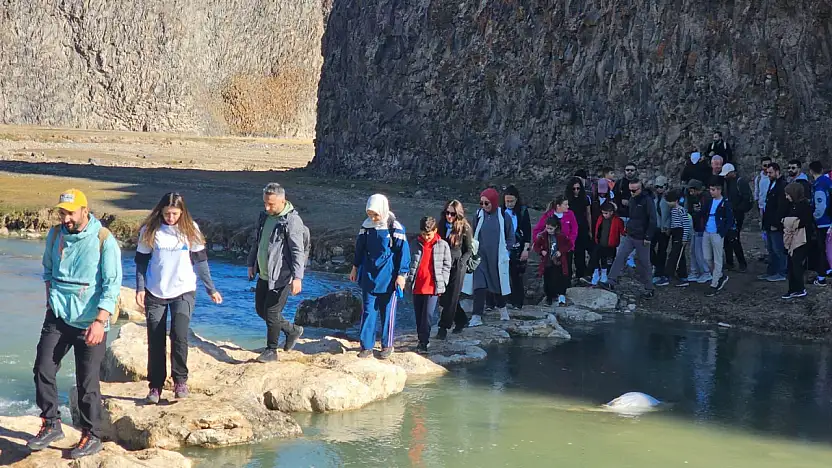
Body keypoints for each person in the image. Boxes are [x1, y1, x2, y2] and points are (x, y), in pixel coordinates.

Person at [30, 189, 122, 459]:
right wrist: (50, 296)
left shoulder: (104, 239)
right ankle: (51, 423)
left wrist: (99, 321)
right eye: (62, 212)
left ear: (85, 210)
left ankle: (91, 435)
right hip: (58, 315)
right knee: (43, 368)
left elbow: (112, 285)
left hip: (90, 322)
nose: (66, 218)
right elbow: (47, 268)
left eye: (70, 213)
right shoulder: (55, 234)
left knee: (87, 383)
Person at [136, 193, 222, 404]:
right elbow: (141, 262)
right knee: (155, 339)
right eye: (167, 213)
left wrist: (211, 289)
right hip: (155, 291)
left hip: (184, 290)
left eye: (175, 214)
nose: (171, 218)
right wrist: (139, 288)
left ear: (182, 212)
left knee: (179, 334)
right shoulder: (150, 231)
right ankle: (155, 386)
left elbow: (200, 262)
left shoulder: (190, 229)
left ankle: (180, 381)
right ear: (161, 211)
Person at [247, 183, 308, 362]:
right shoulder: (264, 216)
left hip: (281, 275)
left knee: (272, 313)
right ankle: (292, 330)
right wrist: (251, 264)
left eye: (271, 204)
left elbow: (297, 250)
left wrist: (298, 277)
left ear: (282, 200)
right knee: (261, 310)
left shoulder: (291, 221)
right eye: (265, 202)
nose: (267, 207)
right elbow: (257, 242)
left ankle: (271, 350)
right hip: (264, 273)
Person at [351, 194, 410, 358]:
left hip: (389, 276)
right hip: (369, 275)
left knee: (387, 311)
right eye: (370, 214)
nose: (373, 218)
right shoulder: (366, 227)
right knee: (368, 310)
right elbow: (360, 249)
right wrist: (355, 268)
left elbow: (403, 253)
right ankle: (366, 346)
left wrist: (401, 275)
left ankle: (387, 345)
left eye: (375, 214)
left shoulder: (395, 227)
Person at [462, 188, 515, 325]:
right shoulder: (479, 215)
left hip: (496, 257)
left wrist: (506, 251)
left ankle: (502, 308)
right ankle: (476, 316)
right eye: (482, 203)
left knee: (496, 284)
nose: (484, 206)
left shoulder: (503, 216)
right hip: (480, 256)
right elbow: (472, 232)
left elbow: (510, 236)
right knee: (479, 285)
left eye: (487, 203)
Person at [600, 179, 657, 298]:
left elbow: (652, 219)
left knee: (644, 262)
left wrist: (648, 236)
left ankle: (649, 288)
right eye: (630, 190)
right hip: (631, 234)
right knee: (620, 256)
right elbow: (630, 214)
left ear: (640, 188)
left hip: (642, 237)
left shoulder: (647, 200)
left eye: (634, 190)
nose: (631, 192)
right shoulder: (632, 199)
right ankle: (611, 281)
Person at [408, 217, 451, 353]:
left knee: (427, 315)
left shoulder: (442, 244)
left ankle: (424, 342)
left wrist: (443, 281)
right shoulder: (414, 243)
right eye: (424, 234)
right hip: (417, 286)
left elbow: (447, 265)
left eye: (429, 234)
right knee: (418, 315)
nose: (426, 237)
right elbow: (409, 262)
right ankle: (421, 339)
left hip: (433, 286)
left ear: (435, 231)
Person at [436, 200, 473, 337]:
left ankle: (443, 327)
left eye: (452, 214)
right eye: (447, 213)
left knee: (452, 296)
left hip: (458, 264)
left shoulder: (465, 228)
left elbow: (469, 249)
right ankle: (461, 319)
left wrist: (462, 262)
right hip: (443, 263)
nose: (449, 216)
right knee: (444, 297)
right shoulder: (441, 225)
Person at [700, 180, 733, 296]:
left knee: (717, 258)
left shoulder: (725, 203)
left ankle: (714, 283)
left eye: (713, 190)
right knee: (707, 257)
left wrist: (722, 232)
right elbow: (703, 213)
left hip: (717, 233)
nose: (711, 192)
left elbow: (730, 220)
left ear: (719, 190)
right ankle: (718, 275)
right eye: (710, 189)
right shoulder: (709, 201)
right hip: (707, 231)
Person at [782, 183, 814, 299]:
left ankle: (800, 288)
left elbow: (804, 222)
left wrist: (788, 222)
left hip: (801, 239)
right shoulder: (793, 205)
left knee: (796, 264)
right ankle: (792, 289)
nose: (786, 197)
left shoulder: (804, 206)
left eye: (788, 194)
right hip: (793, 239)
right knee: (791, 264)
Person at [501, 185, 532, 309]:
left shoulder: (523, 212)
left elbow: (527, 231)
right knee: (503, 275)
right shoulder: (500, 212)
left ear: (517, 200)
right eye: (507, 201)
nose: (509, 204)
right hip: (503, 247)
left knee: (517, 276)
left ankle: (518, 302)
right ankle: (504, 301)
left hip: (518, 247)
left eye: (511, 201)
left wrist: (526, 249)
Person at [720, 163, 753, 272]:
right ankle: (730, 262)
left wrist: (738, 210)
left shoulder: (740, 182)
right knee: (727, 238)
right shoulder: (727, 183)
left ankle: (742, 263)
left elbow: (746, 198)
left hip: (737, 214)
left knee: (734, 238)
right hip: (728, 213)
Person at [657, 189, 692, 287]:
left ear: (675, 201)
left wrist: (685, 238)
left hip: (680, 233)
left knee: (674, 255)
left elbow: (686, 224)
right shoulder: (673, 210)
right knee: (679, 256)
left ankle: (668, 275)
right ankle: (682, 276)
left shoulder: (681, 210)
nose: (668, 203)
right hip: (675, 233)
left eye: (669, 201)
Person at [533, 217, 571, 306]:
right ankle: (549, 297)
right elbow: (536, 246)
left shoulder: (561, 236)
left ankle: (561, 296)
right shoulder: (542, 236)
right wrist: (541, 251)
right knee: (547, 280)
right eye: (547, 228)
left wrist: (560, 251)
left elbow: (569, 244)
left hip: (559, 262)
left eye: (551, 228)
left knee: (560, 278)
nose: (548, 230)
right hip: (547, 262)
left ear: (556, 227)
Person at [761, 163, 789, 282]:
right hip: (769, 222)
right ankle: (772, 271)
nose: (768, 175)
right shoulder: (773, 184)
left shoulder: (782, 185)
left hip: (775, 224)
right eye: (767, 173)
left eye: (770, 172)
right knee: (771, 249)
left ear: (777, 171)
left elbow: (781, 207)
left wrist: (776, 223)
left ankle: (782, 272)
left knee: (778, 249)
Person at [808, 161, 832, 285]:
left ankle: (821, 277)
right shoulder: (828, 182)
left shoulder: (819, 185)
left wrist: (814, 217)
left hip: (823, 222)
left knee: (821, 249)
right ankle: (828, 269)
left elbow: (820, 205)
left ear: (811, 171)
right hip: (829, 221)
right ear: (822, 169)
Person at [565, 177, 593, 281]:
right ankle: (567, 275)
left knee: (580, 252)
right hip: (570, 228)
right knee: (568, 252)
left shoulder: (585, 198)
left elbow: (588, 214)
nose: (576, 191)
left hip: (582, 227)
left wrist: (590, 229)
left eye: (578, 188)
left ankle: (580, 273)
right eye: (574, 189)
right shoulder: (567, 199)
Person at [590, 202, 625, 285]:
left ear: (611, 212)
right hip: (600, 243)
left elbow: (623, 231)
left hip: (611, 245)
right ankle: (596, 273)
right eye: (603, 213)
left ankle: (604, 274)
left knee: (607, 261)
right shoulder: (600, 218)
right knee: (595, 258)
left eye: (606, 213)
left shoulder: (617, 220)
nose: (604, 215)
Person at [686, 179, 712, 283]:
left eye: (692, 191)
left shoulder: (705, 197)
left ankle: (706, 272)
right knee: (693, 251)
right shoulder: (695, 198)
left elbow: (704, 212)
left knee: (699, 252)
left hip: (702, 228)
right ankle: (695, 271)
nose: (691, 193)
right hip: (696, 227)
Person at [651, 176, 671, 283]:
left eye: (661, 186)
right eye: (657, 187)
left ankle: (659, 272)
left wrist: (668, 226)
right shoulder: (654, 198)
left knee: (662, 251)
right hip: (655, 227)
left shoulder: (669, 198)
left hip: (664, 228)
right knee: (649, 248)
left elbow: (671, 214)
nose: (658, 189)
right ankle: (657, 266)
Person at [754, 157, 773, 251]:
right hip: (762, 208)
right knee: (764, 230)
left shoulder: (773, 177)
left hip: (772, 207)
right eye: (765, 165)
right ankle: (767, 250)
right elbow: (756, 194)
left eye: (769, 165)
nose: (766, 167)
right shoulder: (758, 178)